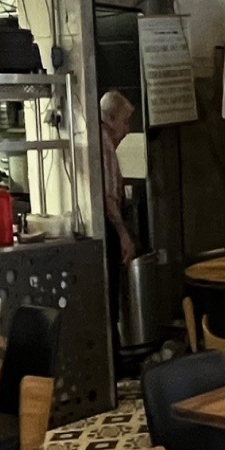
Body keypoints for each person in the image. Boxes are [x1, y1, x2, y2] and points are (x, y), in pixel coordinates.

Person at [100, 90, 137, 341]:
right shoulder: (104, 144)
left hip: (106, 226)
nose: (127, 130)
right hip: (107, 228)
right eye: (125, 122)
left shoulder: (99, 139)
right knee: (110, 306)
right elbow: (108, 197)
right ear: (111, 119)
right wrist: (123, 234)